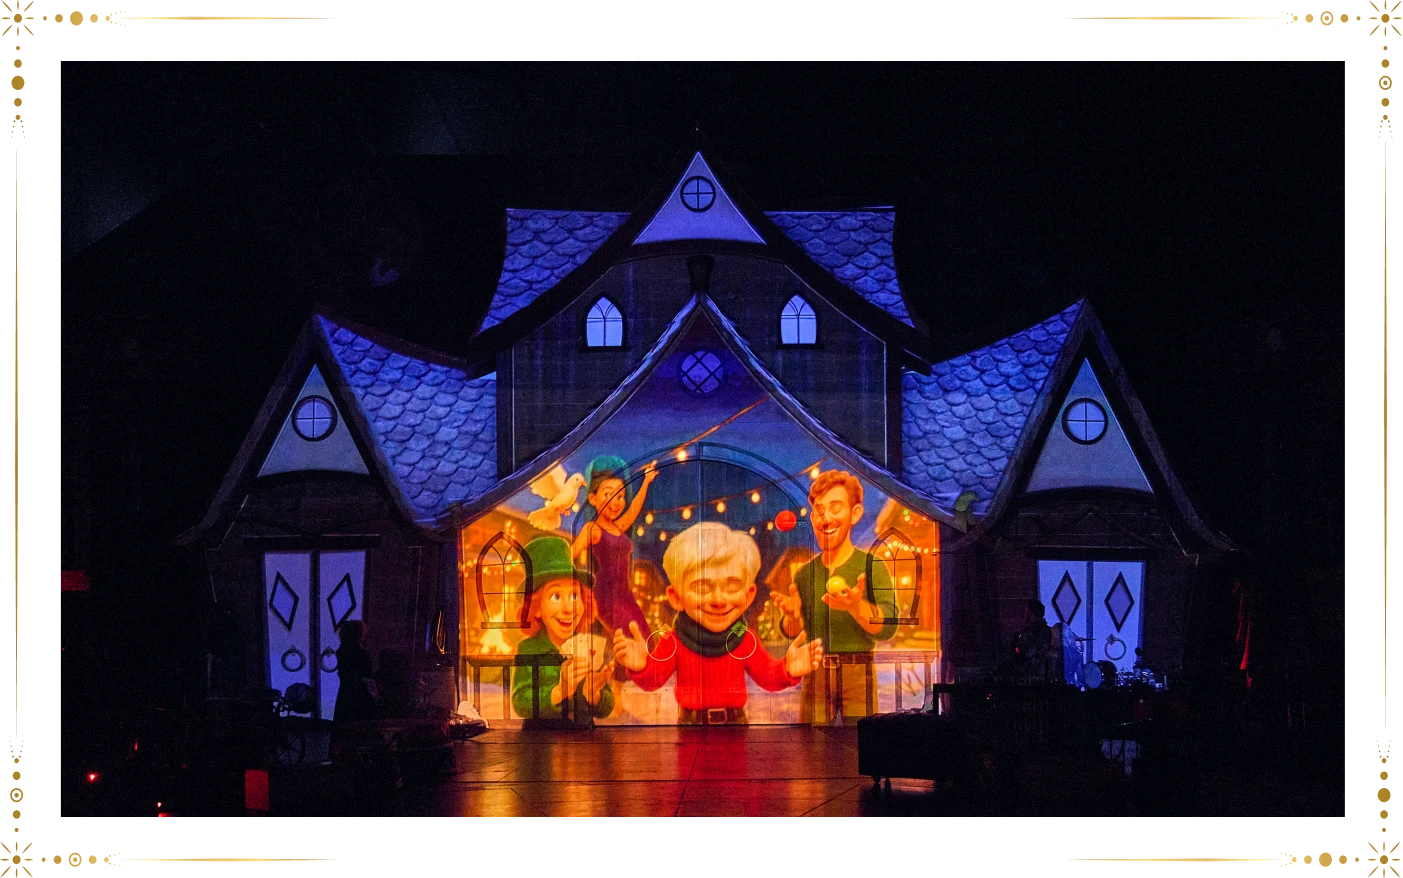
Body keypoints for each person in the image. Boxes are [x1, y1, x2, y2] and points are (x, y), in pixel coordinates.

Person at [613, 522, 824, 724]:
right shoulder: (674, 641)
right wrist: (641, 666)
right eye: (702, 588)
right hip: (691, 726)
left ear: (748, 595)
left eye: (732, 587)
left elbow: (767, 676)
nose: (718, 600)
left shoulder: (744, 638)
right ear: (676, 597)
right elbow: (654, 680)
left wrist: (788, 669)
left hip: (735, 725)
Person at [774, 470, 898, 722]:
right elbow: (792, 631)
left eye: (836, 508)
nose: (826, 519)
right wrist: (792, 616)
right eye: (819, 511)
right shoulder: (805, 574)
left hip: (858, 672)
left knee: (859, 740)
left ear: (855, 513)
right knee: (812, 742)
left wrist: (856, 606)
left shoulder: (872, 566)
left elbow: (888, 626)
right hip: (816, 674)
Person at [512, 535, 615, 725]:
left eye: (574, 595)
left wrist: (594, 694)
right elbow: (520, 702)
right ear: (536, 608)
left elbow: (607, 706)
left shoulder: (589, 647)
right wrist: (559, 691)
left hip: (584, 739)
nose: (568, 608)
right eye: (556, 596)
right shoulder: (528, 649)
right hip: (539, 740)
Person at [571, 455, 659, 644]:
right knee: (630, 640)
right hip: (607, 597)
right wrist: (581, 587)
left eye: (620, 496)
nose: (616, 502)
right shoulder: (592, 529)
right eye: (608, 495)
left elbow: (634, 509)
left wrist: (646, 481)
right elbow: (569, 555)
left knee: (647, 641)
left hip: (627, 596)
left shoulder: (618, 526)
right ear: (592, 498)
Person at [333, 619, 378, 725]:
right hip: (360, 695)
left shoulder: (342, 651)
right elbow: (367, 677)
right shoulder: (361, 653)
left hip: (345, 693)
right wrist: (376, 695)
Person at [1010, 599, 1053, 681]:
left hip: (1030, 674)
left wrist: (1016, 645)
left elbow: (1027, 653)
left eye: (1026, 611)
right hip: (1042, 673)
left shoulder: (1033, 632)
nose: (1025, 614)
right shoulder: (1047, 630)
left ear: (1031, 613)